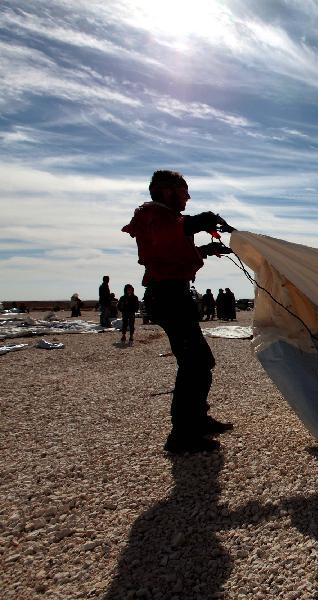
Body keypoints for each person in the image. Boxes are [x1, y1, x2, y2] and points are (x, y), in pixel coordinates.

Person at [122, 169, 236, 454]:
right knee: (194, 364)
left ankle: (197, 419)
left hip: (175, 294)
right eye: (184, 190)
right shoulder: (151, 215)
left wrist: (206, 250)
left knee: (201, 361)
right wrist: (199, 221)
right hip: (167, 296)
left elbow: (172, 248)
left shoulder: (167, 219)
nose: (188, 196)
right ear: (167, 191)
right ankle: (182, 435)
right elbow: (168, 232)